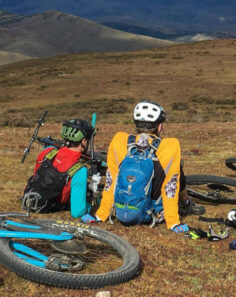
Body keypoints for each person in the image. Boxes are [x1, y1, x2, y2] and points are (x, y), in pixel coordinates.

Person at [84, 100, 204, 233]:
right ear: (159, 127)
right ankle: (186, 204)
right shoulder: (170, 145)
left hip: (120, 212)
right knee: (176, 170)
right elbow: (171, 185)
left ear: (136, 125)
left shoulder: (119, 140)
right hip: (152, 214)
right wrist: (173, 222)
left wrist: (101, 215)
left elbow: (111, 180)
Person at [22, 118, 96, 218]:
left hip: (31, 197)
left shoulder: (48, 151)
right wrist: (92, 204)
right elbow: (77, 212)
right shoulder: (80, 171)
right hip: (52, 205)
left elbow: (36, 177)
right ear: (83, 140)